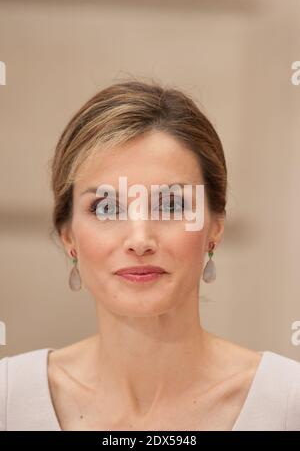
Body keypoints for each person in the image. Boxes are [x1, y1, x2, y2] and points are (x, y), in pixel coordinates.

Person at [1, 80, 299, 431]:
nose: (140, 240)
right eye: (107, 207)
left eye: (171, 205)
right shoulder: (9, 399)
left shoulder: (287, 403)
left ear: (215, 226)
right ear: (69, 235)